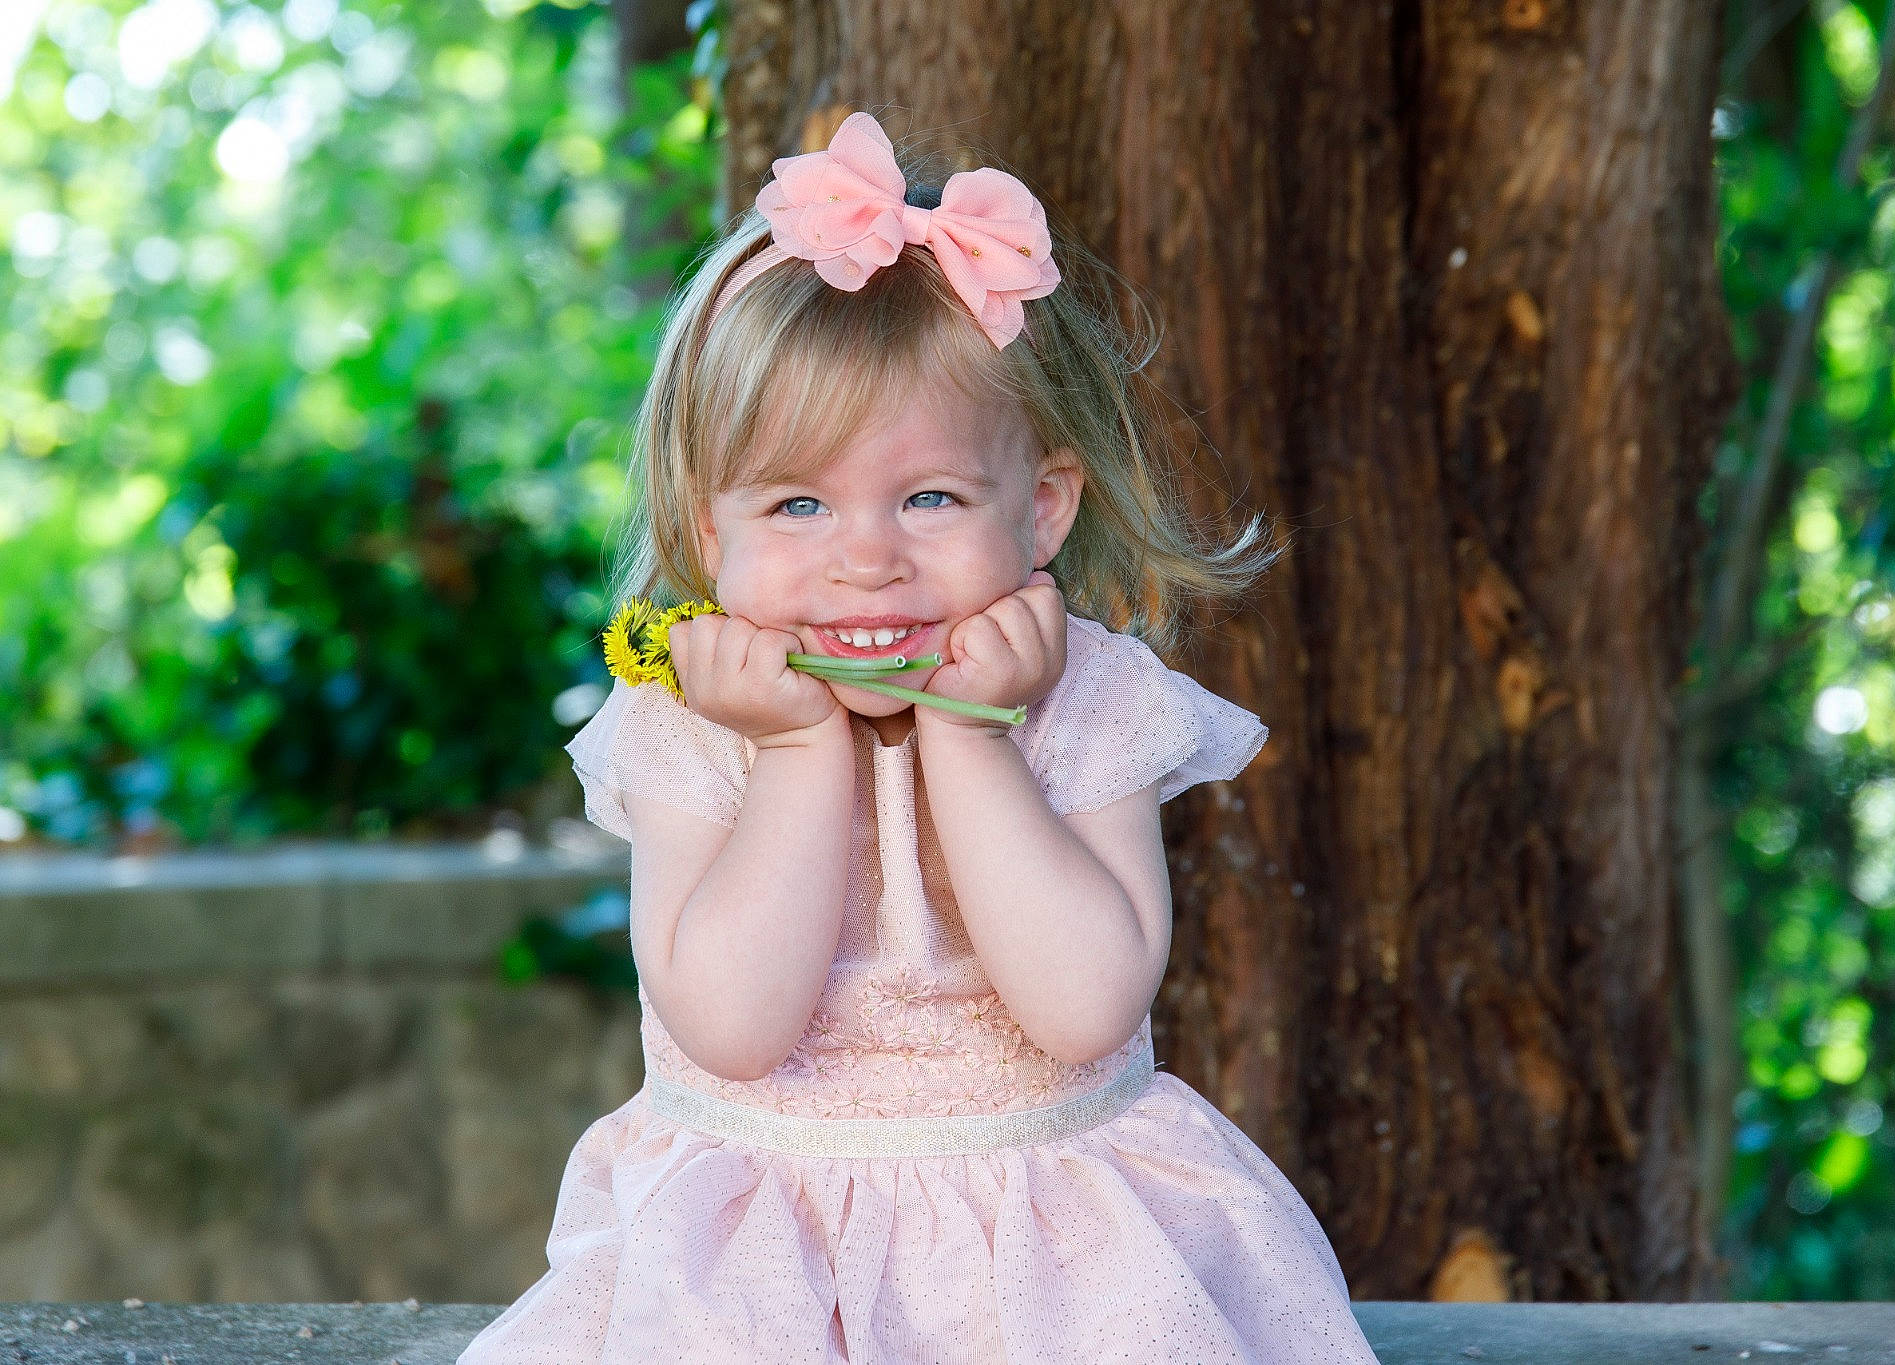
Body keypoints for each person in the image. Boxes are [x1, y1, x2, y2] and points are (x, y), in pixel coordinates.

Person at [459, 110, 1380, 1364]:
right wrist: (792, 753)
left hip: (1055, 1253)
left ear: (1042, 510)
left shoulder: (1090, 700)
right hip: (757, 1267)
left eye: (930, 497)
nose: (866, 559)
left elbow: (1085, 1009)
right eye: (796, 502)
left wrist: (971, 735)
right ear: (708, 532)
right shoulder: (690, 721)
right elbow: (731, 1029)